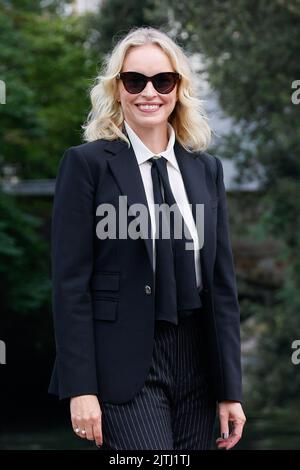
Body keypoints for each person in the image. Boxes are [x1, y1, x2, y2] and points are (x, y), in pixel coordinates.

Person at [48, 26, 246, 450]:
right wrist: (80, 388)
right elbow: (70, 287)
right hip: (122, 363)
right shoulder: (86, 165)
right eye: (134, 80)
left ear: (178, 88)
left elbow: (222, 287)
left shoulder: (205, 169)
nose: (148, 92)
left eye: (163, 80)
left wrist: (231, 387)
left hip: (198, 365)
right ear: (117, 89)